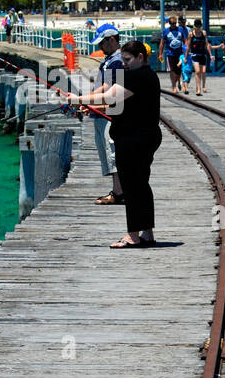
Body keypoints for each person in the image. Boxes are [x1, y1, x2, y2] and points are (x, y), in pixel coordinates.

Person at [65, 39, 162, 249]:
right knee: (141, 186)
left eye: (127, 60)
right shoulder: (147, 75)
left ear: (140, 58)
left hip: (135, 140)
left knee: (132, 187)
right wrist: (92, 107)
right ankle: (147, 233)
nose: (124, 63)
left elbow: (110, 97)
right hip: (144, 137)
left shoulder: (137, 76)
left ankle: (133, 236)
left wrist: (79, 100)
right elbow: (120, 104)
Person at [85, 24, 126, 206]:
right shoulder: (110, 59)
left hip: (109, 116)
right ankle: (118, 191)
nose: (100, 48)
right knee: (109, 155)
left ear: (111, 40)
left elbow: (110, 91)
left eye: (102, 43)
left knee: (113, 155)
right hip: (102, 113)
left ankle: (119, 193)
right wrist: (88, 101)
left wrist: (86, 101)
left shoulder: (117, 61)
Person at [161, 16, 186, 93]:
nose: (173, 25)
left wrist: (186, 52)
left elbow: (185, 41)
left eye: (175, 23)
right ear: (169, 23)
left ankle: (178, 82)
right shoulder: (166, 31)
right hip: (170, 53)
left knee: (178, 71)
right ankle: (174, 86)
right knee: (172, 71)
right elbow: (162, 43)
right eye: (172, 23)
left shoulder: (180, 30)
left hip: (179, 53)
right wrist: (160, 54)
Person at [188, 19, 210, 95]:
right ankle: (198, 88)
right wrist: (185, 57)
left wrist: (210, 54)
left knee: (203, 71)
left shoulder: (203, 33)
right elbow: (188, 45)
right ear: (194, 27)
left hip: (202, 54)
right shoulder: (191, 34)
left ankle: (203, 86)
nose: (198, 28)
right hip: (194, 54)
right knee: (197, 71)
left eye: (199, 26)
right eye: (197, 26)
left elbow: (207, 44)